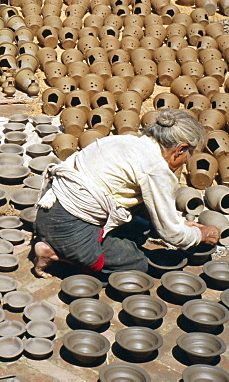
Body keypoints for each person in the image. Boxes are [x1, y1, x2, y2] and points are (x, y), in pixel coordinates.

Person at [32, 109, 219, 278]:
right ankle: (56, 254)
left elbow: (157, 212)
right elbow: (172, 235)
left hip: (48, 210)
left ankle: (75, 243)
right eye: (186, 158)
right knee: (135, 263)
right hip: (67, 227)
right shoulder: (156, 169)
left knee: (143, 225)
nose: (184, 163)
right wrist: (200, 235)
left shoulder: (125, 141)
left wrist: (182, 223)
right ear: (180, 150)